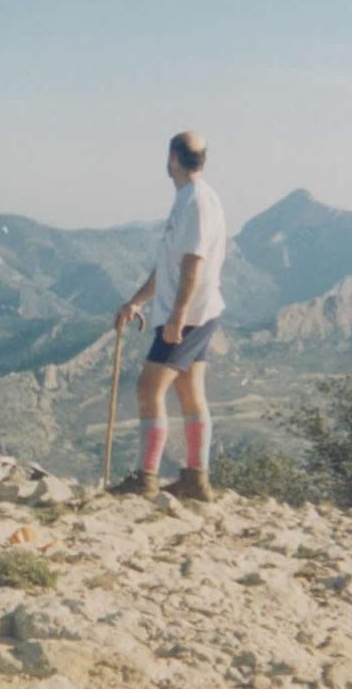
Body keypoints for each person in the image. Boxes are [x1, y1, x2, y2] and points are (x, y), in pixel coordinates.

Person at [110, 131, 227, 502]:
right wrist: (137, 301)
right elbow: (171, 266)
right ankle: (195, 479)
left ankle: (146, 477)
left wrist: (176, 316)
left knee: (148, 388)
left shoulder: (196, 202)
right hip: (197, 311)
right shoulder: (191, 199)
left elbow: (194, 262)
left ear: (173, 158)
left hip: (189, 313)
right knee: (190, 392)